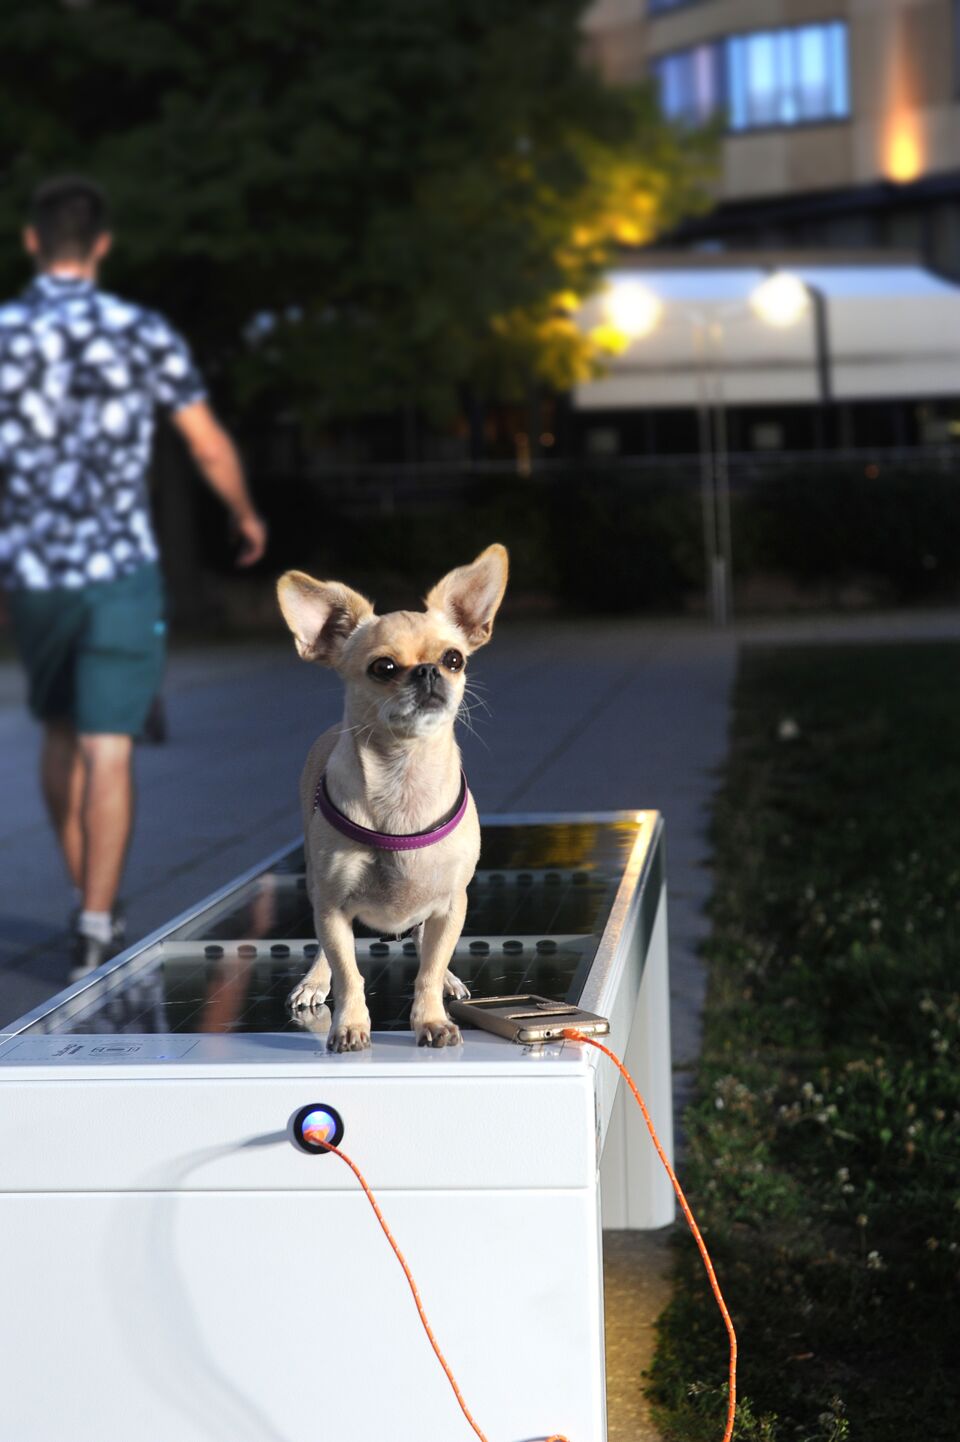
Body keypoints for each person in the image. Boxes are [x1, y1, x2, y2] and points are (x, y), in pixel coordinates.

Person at [0, 175, 267, 978]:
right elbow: (207, 443)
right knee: (107, 748)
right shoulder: (139, 331)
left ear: (34, 243)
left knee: (56, 734)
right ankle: (93, 924)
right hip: (120, 570)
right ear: (103, 246)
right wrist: (244, 513)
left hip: (37, 572)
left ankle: (92, 899)